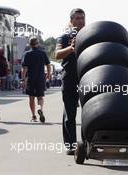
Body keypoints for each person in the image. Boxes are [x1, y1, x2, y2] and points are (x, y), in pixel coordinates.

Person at [55, 8, 85, 155]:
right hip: (70, 77)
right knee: (70, 112)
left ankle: (86, 144)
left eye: (82, 18)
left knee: (89, 111)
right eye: (77, 18)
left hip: (87, 77)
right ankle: (71, 146)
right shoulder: (64, 36)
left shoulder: (90, 35)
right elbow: (57, 54)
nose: (80, 21)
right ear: (71, 20)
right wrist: (71, 48)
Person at [21, 36, 51, 123]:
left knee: (31, 98)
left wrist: (23, 79)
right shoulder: (42, 53)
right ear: (37, 44)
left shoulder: (27, 54)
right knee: (40, 96)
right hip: (41, 78)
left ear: (30, 44)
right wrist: (48, 74)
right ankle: (40, 108)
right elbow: (48, 65)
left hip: (30, 78)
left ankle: (34, 116)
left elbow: (24, 68)